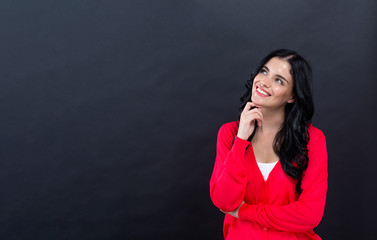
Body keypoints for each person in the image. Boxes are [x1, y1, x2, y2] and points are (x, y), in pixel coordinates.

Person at [209, 49, 328, 240]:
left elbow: (310, 215)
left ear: (292, 97)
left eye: (279, 80)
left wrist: (244, 212)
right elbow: (224, 201)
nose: (264, 82)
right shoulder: (230, 134)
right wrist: (240, 141)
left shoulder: (312, 139)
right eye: (264, 71)